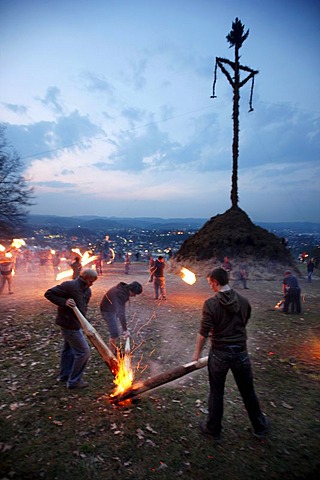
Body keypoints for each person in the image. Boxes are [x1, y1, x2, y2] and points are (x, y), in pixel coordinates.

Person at [192, 267, 268, 442]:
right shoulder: (244, 301)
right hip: (241, 352)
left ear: (216, 282)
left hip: (220, 353)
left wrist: (196, 355)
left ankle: (213, 429)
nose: (210, 286)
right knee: (248, 391)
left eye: (210, 283)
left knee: (216, 393)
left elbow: (203, 332)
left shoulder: (211, 304)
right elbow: (244, 321)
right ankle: (260, 426)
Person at [44, 268, 98, 389]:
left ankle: (65, 375)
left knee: (69, 351)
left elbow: (83, 307)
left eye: (93, 281)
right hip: (68, 323)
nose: (92, 283)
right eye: (91, 281)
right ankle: (74, 381)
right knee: (84, 352)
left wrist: (84, 323)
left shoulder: (87, 290)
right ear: (84, 277)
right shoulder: (69, 285)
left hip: (77, 324)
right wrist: (64, 302)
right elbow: (49, 293)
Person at [100, 281, 143, 354]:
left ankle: (113, 349)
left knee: (115, 330)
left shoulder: (124, 290)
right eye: (134, 294)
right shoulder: (120, 293)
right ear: (131, 290)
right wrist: (125, 330)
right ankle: (111, 354)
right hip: (107, 310)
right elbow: (121, 312)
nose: (134, 296)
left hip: (112, 309)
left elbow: (120, 310)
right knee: (114, 332)